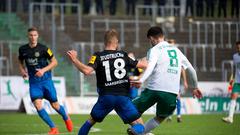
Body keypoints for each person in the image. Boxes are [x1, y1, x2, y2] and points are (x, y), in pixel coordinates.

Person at [67, 29, 147, 135]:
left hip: (106, 97)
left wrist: (74, 60)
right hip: (122, 97)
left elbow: (86, 71)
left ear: (105, 42)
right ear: (116, 42)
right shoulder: (123, 55)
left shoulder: (98, 56)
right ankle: (135, 131)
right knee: (140, 125)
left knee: (90, 121)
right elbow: (143, 65)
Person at [127, 26, 203, 135]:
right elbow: (191, 70)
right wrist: (195, 87)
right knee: (160, 117)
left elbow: (150, 66)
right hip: (171, 93)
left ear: (152, 38)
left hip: (154, 89)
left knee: (128, 109)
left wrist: (141, 80)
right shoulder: (177, 50)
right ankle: (142, 132)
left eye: (150, 40)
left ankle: (140, 131)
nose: (150, 43)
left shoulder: (154, 50)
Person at [18, 27, 73, 134]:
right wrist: (22, 70)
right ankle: (53, 128)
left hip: (46, 81)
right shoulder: (23, 49)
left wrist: (43, 70)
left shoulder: (44, 49)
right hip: (34, 83)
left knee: (55, 105)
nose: (33, 37)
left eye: (35, 35)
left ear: (37, 36)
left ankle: (66, 117)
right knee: (38, 105)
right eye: (31, 35)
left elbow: (55, 62)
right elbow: (20, 61)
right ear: (28, 36)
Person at [222, 41, 240, 124]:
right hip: (237, 80)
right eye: (238, 47)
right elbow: (234, 68)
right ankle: (230, 117)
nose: (239, 48)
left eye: (239, 47)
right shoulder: (235, 56)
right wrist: (232, 77)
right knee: (233, 96)